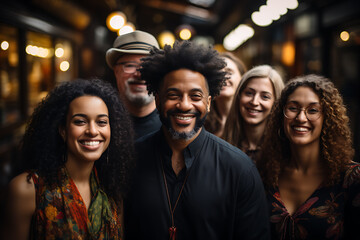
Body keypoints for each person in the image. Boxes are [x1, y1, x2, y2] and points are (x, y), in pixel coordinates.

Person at [124, 41, 270, 240]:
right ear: (157, 100)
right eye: (173, 95)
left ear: (208, 103)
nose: (184, 105)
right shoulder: (130, 159)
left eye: (195, 96)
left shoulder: (239, 168)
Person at [1, 79, 135, 240]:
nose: (92, 131)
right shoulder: (27, 190)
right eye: (80, 121)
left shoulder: (112, 190)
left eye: (101, 122)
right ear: (63, 130)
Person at [257, 75, 360, 239]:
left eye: (312, 110)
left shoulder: (352, 178)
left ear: (328, 118)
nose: (301, 118)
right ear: (280, 115)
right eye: (293, 108)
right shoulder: (264, 172)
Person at [106, 30, 162, 139]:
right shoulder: (101, 125)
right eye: (130, 65)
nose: (139, 75)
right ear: (116, 72)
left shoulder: (173, 126)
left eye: (147, 67)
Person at [222, 65, 284, 162]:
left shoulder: (284, 150)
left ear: (276, 103)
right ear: (239, 96)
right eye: (249, 93)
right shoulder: (221, 144)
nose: (254, 102)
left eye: (265, 97)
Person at [204, 52, 247, 137]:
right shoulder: (202, 122)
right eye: (217, 73)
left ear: (242, 77)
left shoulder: (250, 121)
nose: (223, 77)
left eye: (229, 72)